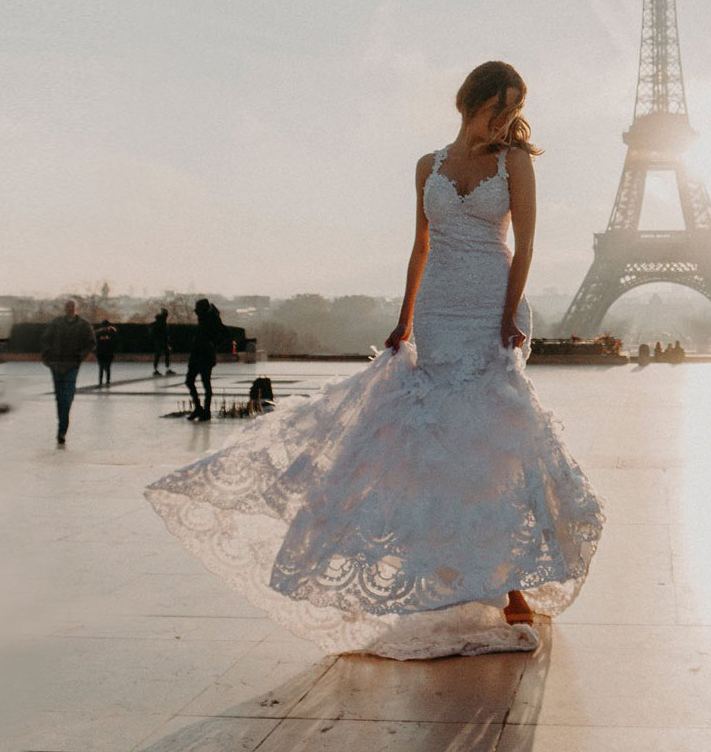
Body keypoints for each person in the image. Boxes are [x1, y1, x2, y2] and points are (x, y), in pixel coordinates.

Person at [145, 61, 604, 660]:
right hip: (439, 310)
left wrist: (508, 312)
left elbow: (528, 246)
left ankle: (511, 581)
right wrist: (405, 317)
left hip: (491, 302)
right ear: (471, 101)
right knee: (439, 445)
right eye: (500, 107)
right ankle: (457, 568)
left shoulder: (515, 161)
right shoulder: (426, 166)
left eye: (516, 108)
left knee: (493, 443)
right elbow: (421, 245)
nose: (508, 119)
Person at [41, 299, 96, 446]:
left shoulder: (83, 325)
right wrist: (48, 355)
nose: (70, 309)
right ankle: (62, 429)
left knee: (67, 397)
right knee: (60, 398)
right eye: (68, 307)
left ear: (75, 309)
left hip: (72, 364)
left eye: (72, 307)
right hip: (57, 364)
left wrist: (80, 356)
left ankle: (62, 428)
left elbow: (91, 343)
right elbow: (45, 339)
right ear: (65, 309)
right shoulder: (56, 323)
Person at [185, 298, 221, 421]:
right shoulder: (207, 317)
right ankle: (201, 409)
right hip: (199, 355)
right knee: (192, 381)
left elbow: (214, 336)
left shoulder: (211, 319)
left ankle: (204, 410)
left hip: (204, 356)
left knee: (204, 383)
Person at [94, 320, 118, 386]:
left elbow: (115, 343)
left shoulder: (112, 333)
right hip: (101, 353)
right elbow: (95, 343)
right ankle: (101, 381)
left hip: (108, 353)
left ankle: (107, 380)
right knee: (101, 367)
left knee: (107, 367)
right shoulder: (98, 333)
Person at [150, 308, 173, 375]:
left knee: (159, 355)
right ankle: (165, 369)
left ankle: (156, 369)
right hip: (161, 341)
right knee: (163, 355)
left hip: (159, 341)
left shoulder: (159, 321)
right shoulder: (162, 322)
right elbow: (164, 333)